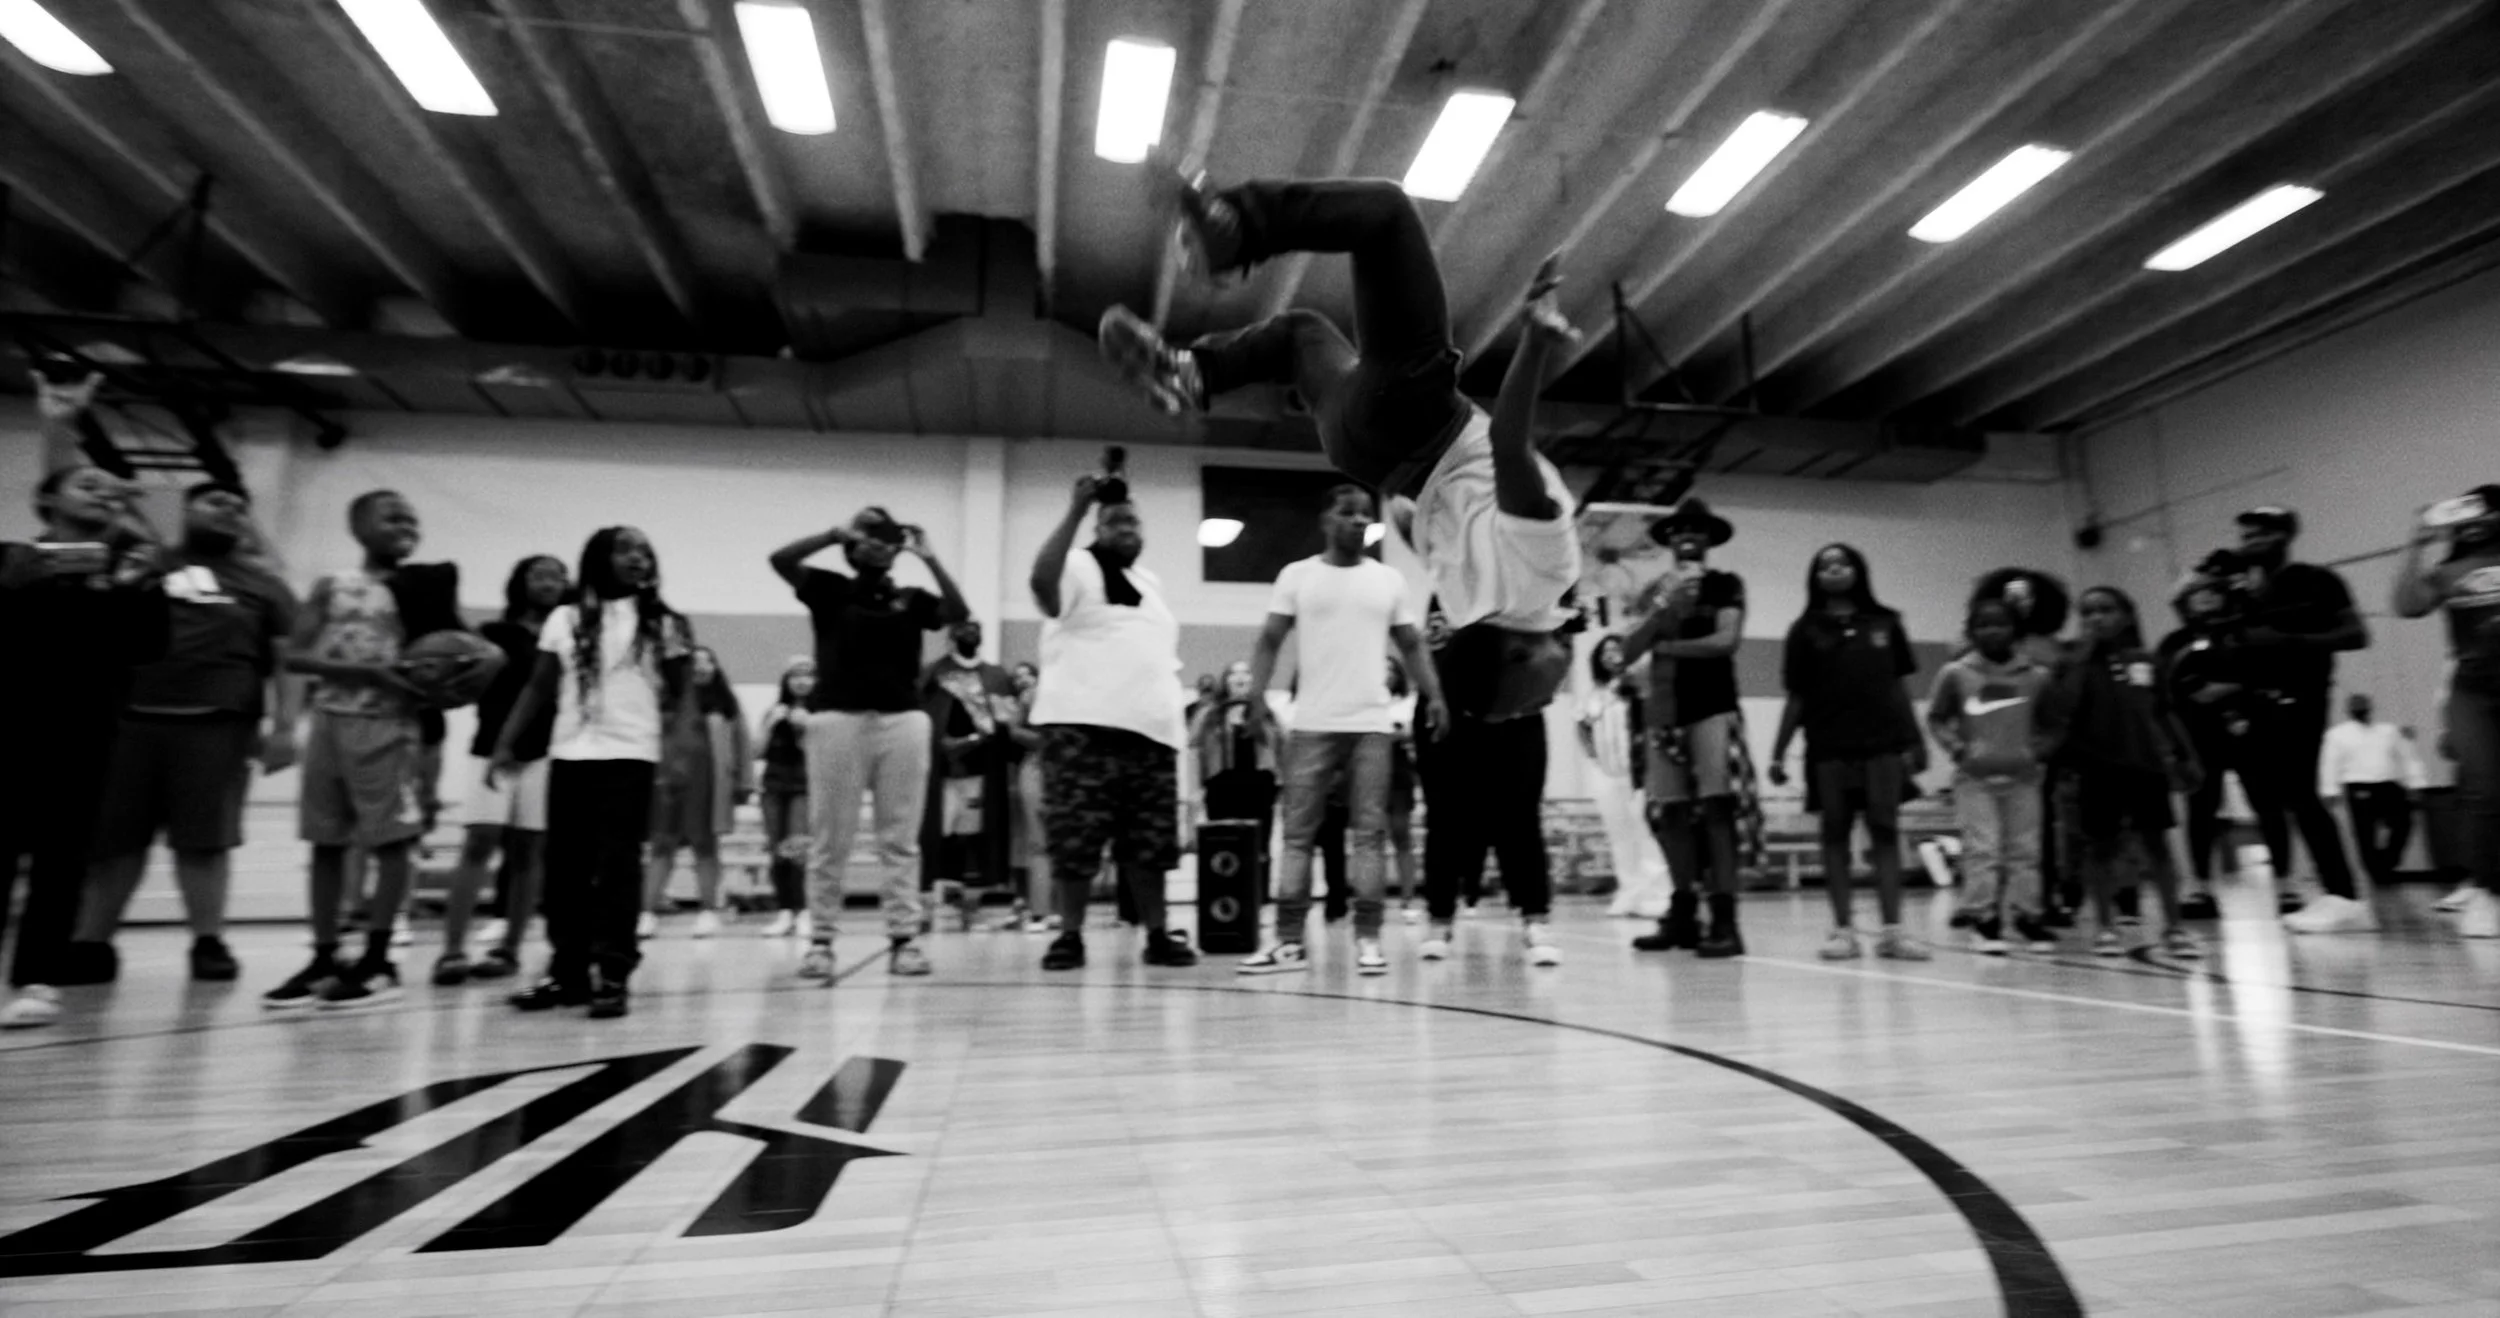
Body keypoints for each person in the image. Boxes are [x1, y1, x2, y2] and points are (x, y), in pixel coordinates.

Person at [1099, 171, 1582, 723]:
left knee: (1385, 215)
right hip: (1363, 452)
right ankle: (1193, 373)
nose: (1549, 698)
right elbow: (1420, 522)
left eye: (1537, 699)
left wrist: (1536, 342)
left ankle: (1239, 230)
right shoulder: (1467, 610)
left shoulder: (1549, 574)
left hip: (1416, 414)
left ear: (1517, 655)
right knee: (1299, 335)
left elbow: (1508, 446)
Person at [70, 481, 297, 986]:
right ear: (185, 509)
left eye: (240, 507)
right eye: (217, 501)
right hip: (129, 718)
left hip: (217, 720)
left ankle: (207, 941)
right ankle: (91, 942)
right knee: (114, 841)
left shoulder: (266, 585)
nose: (231, 511)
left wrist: (284, 727)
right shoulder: (141, 560)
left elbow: (288, 662)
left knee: (204, 842)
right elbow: (64, 514)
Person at [1232, 486, 1447, 976]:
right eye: (1347, 513)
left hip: (1371, 725)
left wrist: (1434, 695)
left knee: (1369, 834)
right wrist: (1256, 698)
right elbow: (1268, 640)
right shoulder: (1297, 576)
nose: (1357, 522)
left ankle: (1369, 939)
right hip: (1311, 725)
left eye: (1365, 516)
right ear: (1325, 519)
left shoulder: (1389, 580)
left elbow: (1413, 646)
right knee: (1297, 836)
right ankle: (1288, 941)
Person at [259, 491, 448, 1012]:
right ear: (358, 526)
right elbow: (295, 657)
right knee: (325, 842)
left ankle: (379, 959)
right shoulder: (332, 586)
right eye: (391, 516)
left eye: (412, 517)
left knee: (391, 843)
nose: (405, 523)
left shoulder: (422, 588)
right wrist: (361, 674)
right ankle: (324, 956)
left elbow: (460, 655)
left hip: (389, 725)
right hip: (328, 722)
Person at [494, 526, 692, 1019]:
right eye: (626, 549)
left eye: (646, 551)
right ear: (598, 559)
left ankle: (614, 971)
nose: (638, 558)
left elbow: (684, 695)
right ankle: (568, 971)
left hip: (632, 755)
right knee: (564, 869)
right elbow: (539, 687)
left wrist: (680, 752)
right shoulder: (565, 617)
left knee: (619, 866)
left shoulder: (663, 623)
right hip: (571, 754)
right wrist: (505, 742)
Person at [769, 508, 969, 980]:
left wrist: (931, 558)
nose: (876, 541)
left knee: (900, 839)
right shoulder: (829, 587)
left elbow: (958, 616)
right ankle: (820, 940)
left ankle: (905, 940)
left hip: (903, 721)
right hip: (836, 719)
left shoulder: (912, 597)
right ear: (852, 544)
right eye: (866, 533)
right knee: (829, 839)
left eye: (885, 534)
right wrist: (830, 532)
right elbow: (779, 560)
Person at [0, 468, 168, 1029]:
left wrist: (133, 583)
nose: (102, 492)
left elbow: (148, 645)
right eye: (85, 484)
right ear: (46, 498)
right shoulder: (12, 558)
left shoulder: (133, 569)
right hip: (9, 725)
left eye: (109, 487)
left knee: (62, 859)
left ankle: (37, 979)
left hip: (84, 729)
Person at [1027, 469, 1199, 971]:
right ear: (1096, 529)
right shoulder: (1077, 564)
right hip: (1082, 730)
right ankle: (1070, 936)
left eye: (1134, 521)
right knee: (1076, 841)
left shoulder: (1151, 582)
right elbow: (1041, 586)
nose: (1128, 526)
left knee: (1149, 846)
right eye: (1115, 520)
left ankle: (1158, 934)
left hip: (1150, 734)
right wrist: (1077, 508)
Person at [1767, 544, 1931, 961]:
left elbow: (1898, 687)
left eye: (1842, 563)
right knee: (1834, 834)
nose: (1834, 569)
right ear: (1815, 577)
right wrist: (1778, 752)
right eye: (1825, 565)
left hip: (1883, 745)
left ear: (1858, 570)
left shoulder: (1886, 623)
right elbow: (1798, 696)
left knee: (1885, 830)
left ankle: (1893, 932)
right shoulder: (1803, 630)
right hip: (1828, 746)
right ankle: (1843, 931)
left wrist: (1915, 740)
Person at [2226, 508, 2374, 933]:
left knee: (2303, 795)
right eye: (2246, 535)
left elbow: (2356, 635)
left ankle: (2343, 895)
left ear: (2284, 536)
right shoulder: (2242, 590)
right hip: (2254, 702)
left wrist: (2289, 641)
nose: (2251, 541)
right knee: (2285, 798)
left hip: (2301, 695)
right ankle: (2331, 891)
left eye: (2261, 534)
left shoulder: (2317, 580)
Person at [1626, 499, 1752, 958]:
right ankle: (1683, 913)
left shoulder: (1725, 585)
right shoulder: (1652, 589)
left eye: (1697, 531)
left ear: (1710, 539)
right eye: (1679, 531)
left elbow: (1726, 641)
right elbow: (1626, 648)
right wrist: (1662, 611)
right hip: (1661, 709)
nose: (1687, 537)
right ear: (1668, 541)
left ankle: (1725, 918)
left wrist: (1667, 647)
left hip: (1712, 706)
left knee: (1717, 811)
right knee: (1672, 814)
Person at [433, 554, 567, 985]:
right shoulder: (492, 635)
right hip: (491, 748)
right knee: (479, 841)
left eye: (557, 576)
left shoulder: (570, 636)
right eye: (539, 574)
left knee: (529, 851)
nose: (549, 582)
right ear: (519, 582)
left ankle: (509, 948)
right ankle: (452, 950)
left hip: (546, 751)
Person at [2052, 587, 2204, 958]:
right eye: (2087, 612)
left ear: (2126, 615)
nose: (2096, 618)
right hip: (2097, 767)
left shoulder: (2147, 661)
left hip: (2146, 766)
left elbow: (2164, 712)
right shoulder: (2072, 662)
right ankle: (2105, 927)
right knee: (2100, 848)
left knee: (2158, 846)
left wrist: (2187, 757)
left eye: (2105, 610)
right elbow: (2063, 713)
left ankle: (2175, 927)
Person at [2392, 485, 2500, 937]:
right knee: (2486, 793)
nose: (2472, 519)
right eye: (2464, 512)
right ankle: (2489, 893)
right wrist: (2418, 543)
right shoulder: (2449, 568)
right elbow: (2407, 604)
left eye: (2481, 511)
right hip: (2473, 692)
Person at [1927, 598, 2059, 954]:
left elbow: (2052, 724)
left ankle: (2028, 915)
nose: (1992, 631)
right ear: (1971, 631)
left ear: (2015, 630)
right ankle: (1984, 918)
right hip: (1975, 779)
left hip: (2023, 778)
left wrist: (2038, 752)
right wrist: (1956, 748)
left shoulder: (2036, 676)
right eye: (1983, 625)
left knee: (2025, 850)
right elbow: (1937, 718)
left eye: (2000, 624)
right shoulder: (1956, 673)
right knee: (1983, 850)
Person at [2159, 567, 2257, 914]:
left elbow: (2263, 674)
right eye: (2198, 592)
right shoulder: (2176, 643)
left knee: (2270, 805)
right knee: (2201, 812)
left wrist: (2231, 689)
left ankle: (2289, 885)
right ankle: (2199, 887)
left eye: (2213, 591)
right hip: (2198, 738)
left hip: (2250, 733)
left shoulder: (2245, 634)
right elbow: (2175, 690)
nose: (2207, 598)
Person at [643, 646, 750, 939]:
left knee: (705, 846)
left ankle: (707, 911)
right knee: (662, 845)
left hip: (708, 786)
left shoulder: (726, 704)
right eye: (696, 662)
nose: (702, 667)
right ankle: (647, 912)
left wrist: (744, 783)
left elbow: (743, 743)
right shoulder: (665, 700)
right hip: (666, 784)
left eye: (708, 661)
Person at [920, 620, 1020, 918]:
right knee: (941, 833)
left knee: (972, 834)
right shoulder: (935, 672)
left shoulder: (996, 675)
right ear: (950, 638)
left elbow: (1007, 721)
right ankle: (934, 898)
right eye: (961, 630)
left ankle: (969, 899)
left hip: (982, 768)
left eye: (975, 630)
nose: (968, 634)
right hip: (944, 769)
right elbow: (924, 713)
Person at [1578, 635, 1670, 920]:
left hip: (1638, 772)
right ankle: (1629, 892)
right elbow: (1582, 727)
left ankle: (1658, 893)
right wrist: (1593, 756)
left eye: (1616, 649)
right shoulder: (1594, 695)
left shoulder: (1639, 686)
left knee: (1646, 832)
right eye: (1605, 651)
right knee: (1619, 836)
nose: (1611, 655)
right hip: (1606, 773)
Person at [2318, 693, 2427, 888]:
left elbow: (2407, 756)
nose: (2361, 710)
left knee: (2404, 822)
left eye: (2363, 706)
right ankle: (2377, 873)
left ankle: (2387, 861)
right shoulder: (2337, 735)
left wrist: (2416, 783)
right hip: (2358, 787)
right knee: (2364, 834)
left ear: (2370, 708)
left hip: (2388, 784)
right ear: (2350, 710)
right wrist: (2329, 789)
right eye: (2356, 707)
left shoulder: (2388, 731)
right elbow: (2330, 763)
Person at [756, 658, 816, 938]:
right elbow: (757, 751)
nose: (801, 681)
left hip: (804, 785)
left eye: (808, 676)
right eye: (795, 676)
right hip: (773, 785)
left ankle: (803, 911)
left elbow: (819, 752)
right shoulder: (775, 711)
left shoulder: (821, 712)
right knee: (776, 850)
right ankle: (784, 911)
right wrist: (770, 724)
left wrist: (805, 727)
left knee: (797, 850)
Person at [1191, 661, 1281, 849]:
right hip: (1221, 788)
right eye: (1234, 673)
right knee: (1225, 846)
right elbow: (1194, 749)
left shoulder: (1267, 714)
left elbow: (1282, 746)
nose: (1240, 677)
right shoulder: (1208, 715)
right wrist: (1194, 789)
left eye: (1246, 672)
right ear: (1226, 681)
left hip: (1260, 787)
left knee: (1259, 848)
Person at [1005, 661, 1055, 930]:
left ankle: (1060, 910)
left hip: (1065, 768)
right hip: (1037, 768)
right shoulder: (1029, 697)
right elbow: (1013, 730)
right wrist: (1043, 742)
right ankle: (1039, 911)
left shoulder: (1075, 692)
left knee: (1063, 840)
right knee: (1038, 841)